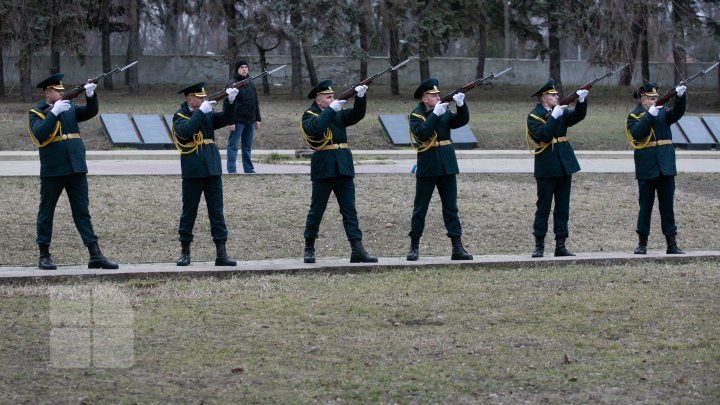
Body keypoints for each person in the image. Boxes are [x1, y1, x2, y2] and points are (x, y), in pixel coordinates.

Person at [27, 73, 118, 270]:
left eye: (62, 91)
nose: (61, 94)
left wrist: (91, 95)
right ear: (48, 92)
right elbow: (40, 134)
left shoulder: (69, 108)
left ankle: (95, 254)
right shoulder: (37, 112)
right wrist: (53, 113)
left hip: (76, 167)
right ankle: (44, 255)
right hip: (53, 169)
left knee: (82, 212)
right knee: (46, 212)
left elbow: (88, 112)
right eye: (57, 91)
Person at [300, 79, 377, 264]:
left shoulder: (337, 112)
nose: (332, 99)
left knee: (349, 210)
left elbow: (357, 115)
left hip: (343, 165)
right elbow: (317, 129)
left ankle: (357, 249)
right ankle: (309, 247)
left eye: (333, 96)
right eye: (328, 97)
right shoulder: (310, 114)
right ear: (318, 100)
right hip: (324, 166)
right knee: (317, 210)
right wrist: (332, 109)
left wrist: (360, 97)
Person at [171, 82, 239, 266]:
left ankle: (221, 253)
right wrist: (202, 111)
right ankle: (185, 252)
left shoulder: (205, 112)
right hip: (193, 169)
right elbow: (186, 131)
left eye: (204, 98)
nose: (203, 100)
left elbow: (226, 119)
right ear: (190, 99)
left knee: (217, 212)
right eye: (199, 98)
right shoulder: (180, 115)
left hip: (212, 168)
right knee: (189, 212)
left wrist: (231, 101)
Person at [406, 78, 473, 261]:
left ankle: (457, 247)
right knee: (421, 208)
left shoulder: (442, 110)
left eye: (437, 94)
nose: (437, 97)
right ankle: (414, 246)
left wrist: (461, 104)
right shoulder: (417, 114)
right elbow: (423, 133)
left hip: (447, 164)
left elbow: (460, 121)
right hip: (428, 164)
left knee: (451, 208)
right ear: (424, 98)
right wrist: (435, 114)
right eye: (433, 95)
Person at [525, 80, 589, 258]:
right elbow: (543, 135)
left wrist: (582, 101)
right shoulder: (534, 116)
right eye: (553, 95)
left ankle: (561, 245)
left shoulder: (559, 111)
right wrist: (554, 117)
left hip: (564, 164)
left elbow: (577, 117)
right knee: (543, 207)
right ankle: (539, 245)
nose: (557, 97)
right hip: (547, 166)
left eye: (556, 95)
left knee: (562, 207)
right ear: (544, 97)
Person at [626, 82, 687, 255]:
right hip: (647, 166)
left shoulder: (662, 113)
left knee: (667, 206)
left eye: (656, 98)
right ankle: (642, 242)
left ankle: (671, 243)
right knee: (645, 205)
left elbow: (677, 113)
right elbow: (637, 134)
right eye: (651, 98)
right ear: (642, 99)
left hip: (666, 165)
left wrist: (681, 97)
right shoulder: (635, 115)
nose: (655, 100)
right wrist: (649, 116)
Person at [226, 60, 261, 174]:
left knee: (247, 147)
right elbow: (228, 104)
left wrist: (258, 119)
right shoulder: (232, 84)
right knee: (233, 146)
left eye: (246, 67)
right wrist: (230, 122)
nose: (244, 69)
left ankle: (249, 169)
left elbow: (255, 102)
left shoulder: (250, 83)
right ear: (237, 69)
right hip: (237, 121)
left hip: (250, 120)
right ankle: (232, 170)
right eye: (241, 67)